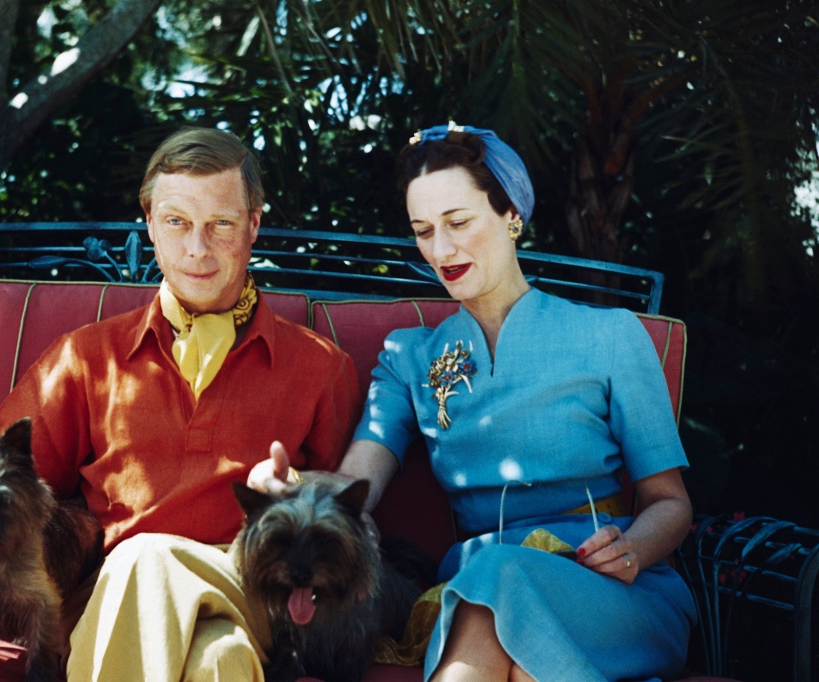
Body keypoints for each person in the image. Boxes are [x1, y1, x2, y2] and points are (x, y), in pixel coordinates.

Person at [0, 126, 362, 681]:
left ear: (254, 224)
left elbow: (350, 526)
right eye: (177, 222)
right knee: (221, 658)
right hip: (112, 596)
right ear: (148, 224)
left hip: (255, 587)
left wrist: (303, 489)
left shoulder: (321, 367)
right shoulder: (86, 357)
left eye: (220, 223)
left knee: (148, 557)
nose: (197, 248)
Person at [258, 123, 696, 682]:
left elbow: (671, 503)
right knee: (498, 595)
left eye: (458, 223)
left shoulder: (610, 336)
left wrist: (632, 549)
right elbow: (359, 479)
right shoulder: (410, 356)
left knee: (502, 590)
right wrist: (299, 492)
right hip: (474, 586)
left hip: (610, 588)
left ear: (512, 214)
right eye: (423, 231)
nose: (441, 250)